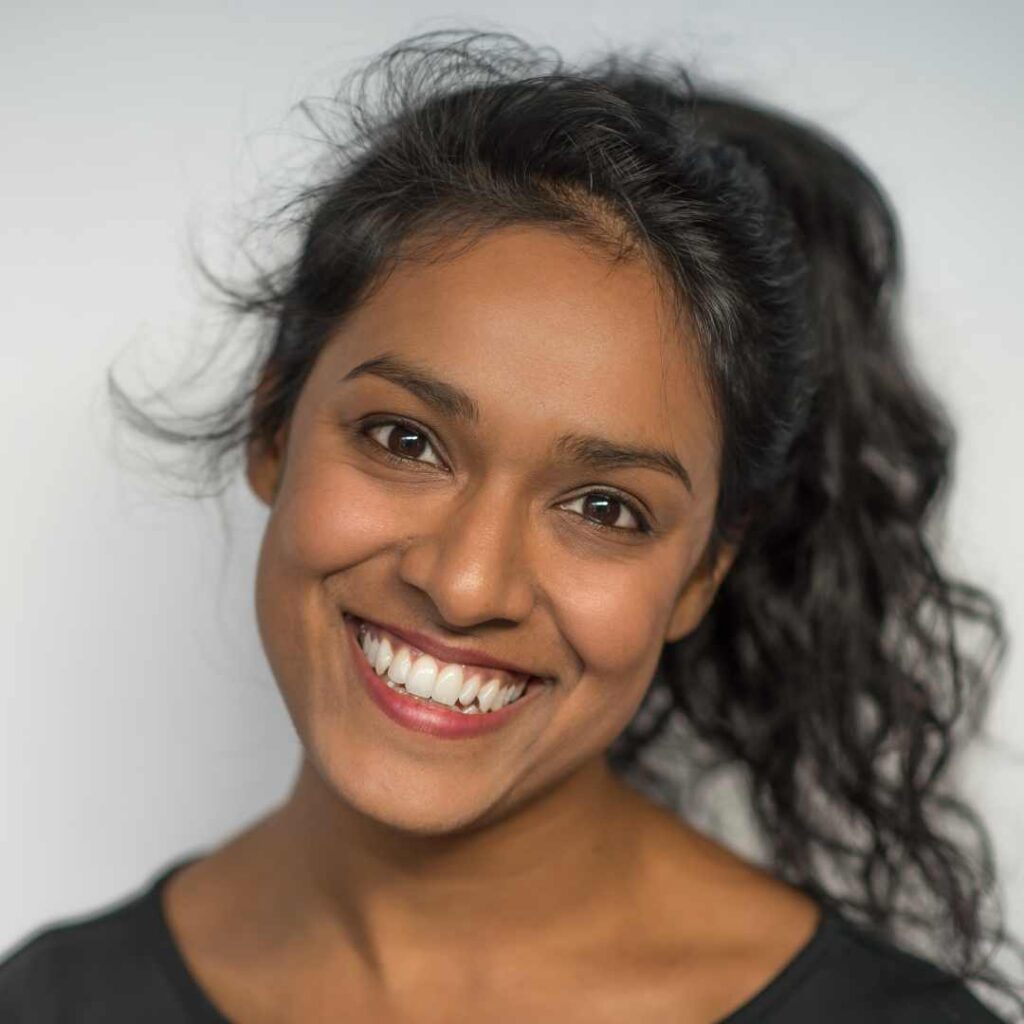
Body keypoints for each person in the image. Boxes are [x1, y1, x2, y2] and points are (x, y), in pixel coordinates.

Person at [1, 26, 1020, 1023]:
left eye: (605, 507)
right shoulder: (48, 1001)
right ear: (272, 429)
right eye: (405, 440)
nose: (466, 584)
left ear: (704, 571)